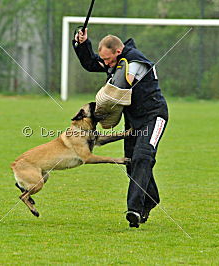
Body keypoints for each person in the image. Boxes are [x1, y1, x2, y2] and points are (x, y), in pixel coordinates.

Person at [73, 29, 169, 228]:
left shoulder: (133, 62)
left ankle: (135, 209)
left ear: (118, 51)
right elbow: (92, 63)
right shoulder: (115, 61)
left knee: (143, 156)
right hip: (134, 121)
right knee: (131, 163)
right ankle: (150, 199)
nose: (106, 64)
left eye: (108, 60)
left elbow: (120, 88)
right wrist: (82, 44)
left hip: (154, 116)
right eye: (105, 61)